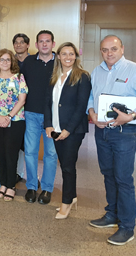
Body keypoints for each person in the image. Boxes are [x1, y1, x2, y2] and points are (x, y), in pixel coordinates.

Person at [88, 35, 136, 246]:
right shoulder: (97, 71)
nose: (109, 53)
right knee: (108, 174)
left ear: (122, 49)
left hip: (125, 133)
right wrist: (92, 114)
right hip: (103, 132)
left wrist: (132, 115)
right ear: (101, 51)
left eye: (113, 49)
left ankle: (127, 227)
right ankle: (112, 215)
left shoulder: (135, 70)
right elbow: (92, 97)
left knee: (123, 178)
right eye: (105, 49)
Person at [44, 42, 91, 219]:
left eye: (71, 54)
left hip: (73, 130)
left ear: (76, 56)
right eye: (64, 54)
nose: (68, 57)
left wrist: (68, 130)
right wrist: (48, 124)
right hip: (55, 128)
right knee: (64, 164)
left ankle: (66, 203)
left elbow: (81, 107)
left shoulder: (82, 77)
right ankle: (71, 197)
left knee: (68, 167)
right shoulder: (55, 76)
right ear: (58, 56)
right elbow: (48, 102)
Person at [20, 30, 57, 205]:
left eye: (47, 41)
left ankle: (47, 188)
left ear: (53, 44)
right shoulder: (28, 62)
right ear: (36, 45)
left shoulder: (60, 62)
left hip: (54, 116)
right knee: (31, 152)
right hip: (31, 114)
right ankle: (32, 186)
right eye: (41, 41)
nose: (44, 44)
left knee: (50, 153)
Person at [0, 49, 27, 202]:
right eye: (1, 60)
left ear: (12, 62)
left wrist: (8, 117)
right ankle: (3, 184)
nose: (4, 62)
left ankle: (11, 186)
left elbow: (22, 100)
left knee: (11, 153)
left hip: (15, 121)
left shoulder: (19, 78)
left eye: (7, 59)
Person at [13, 33, 30, 183]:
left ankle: (31, 176)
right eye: (16, 43)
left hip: (30, 107)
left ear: (27, 45)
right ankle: (18, 172)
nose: (19, 45)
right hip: (13, 109)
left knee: (28, 144)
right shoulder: (10, 61)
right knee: (16, 143)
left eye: (22, 42)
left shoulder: (34, 61)